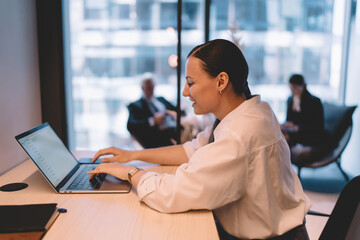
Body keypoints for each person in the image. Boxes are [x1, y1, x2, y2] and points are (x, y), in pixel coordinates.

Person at [88, 39, 311, 240]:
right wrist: (132, 156)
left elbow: (172, 194)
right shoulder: (252, 112)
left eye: (191, 82)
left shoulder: (239, 134)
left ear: (221, 81)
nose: (185, 92)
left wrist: (131, 173)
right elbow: (192, 149)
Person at [281, 74, 327, 165]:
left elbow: (318, 127)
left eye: (295, 88)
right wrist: (286, 126)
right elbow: (288, 120)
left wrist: (297, 128)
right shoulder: (290, 100)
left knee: (284, 138)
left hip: (309, 134)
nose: (292, 91)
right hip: (294, 133)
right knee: (278, 133)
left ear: (303, 85)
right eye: (291, 88)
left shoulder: (315, 102)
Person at [127, 74, 180, 148]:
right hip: (158, 138)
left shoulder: (161, 99)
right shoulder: (135, 106)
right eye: (148, 87)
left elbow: (178, 111)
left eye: (152, 87)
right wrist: (152, 121)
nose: (151, 90)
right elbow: (131, 126)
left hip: (175, 129)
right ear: (142, 88)